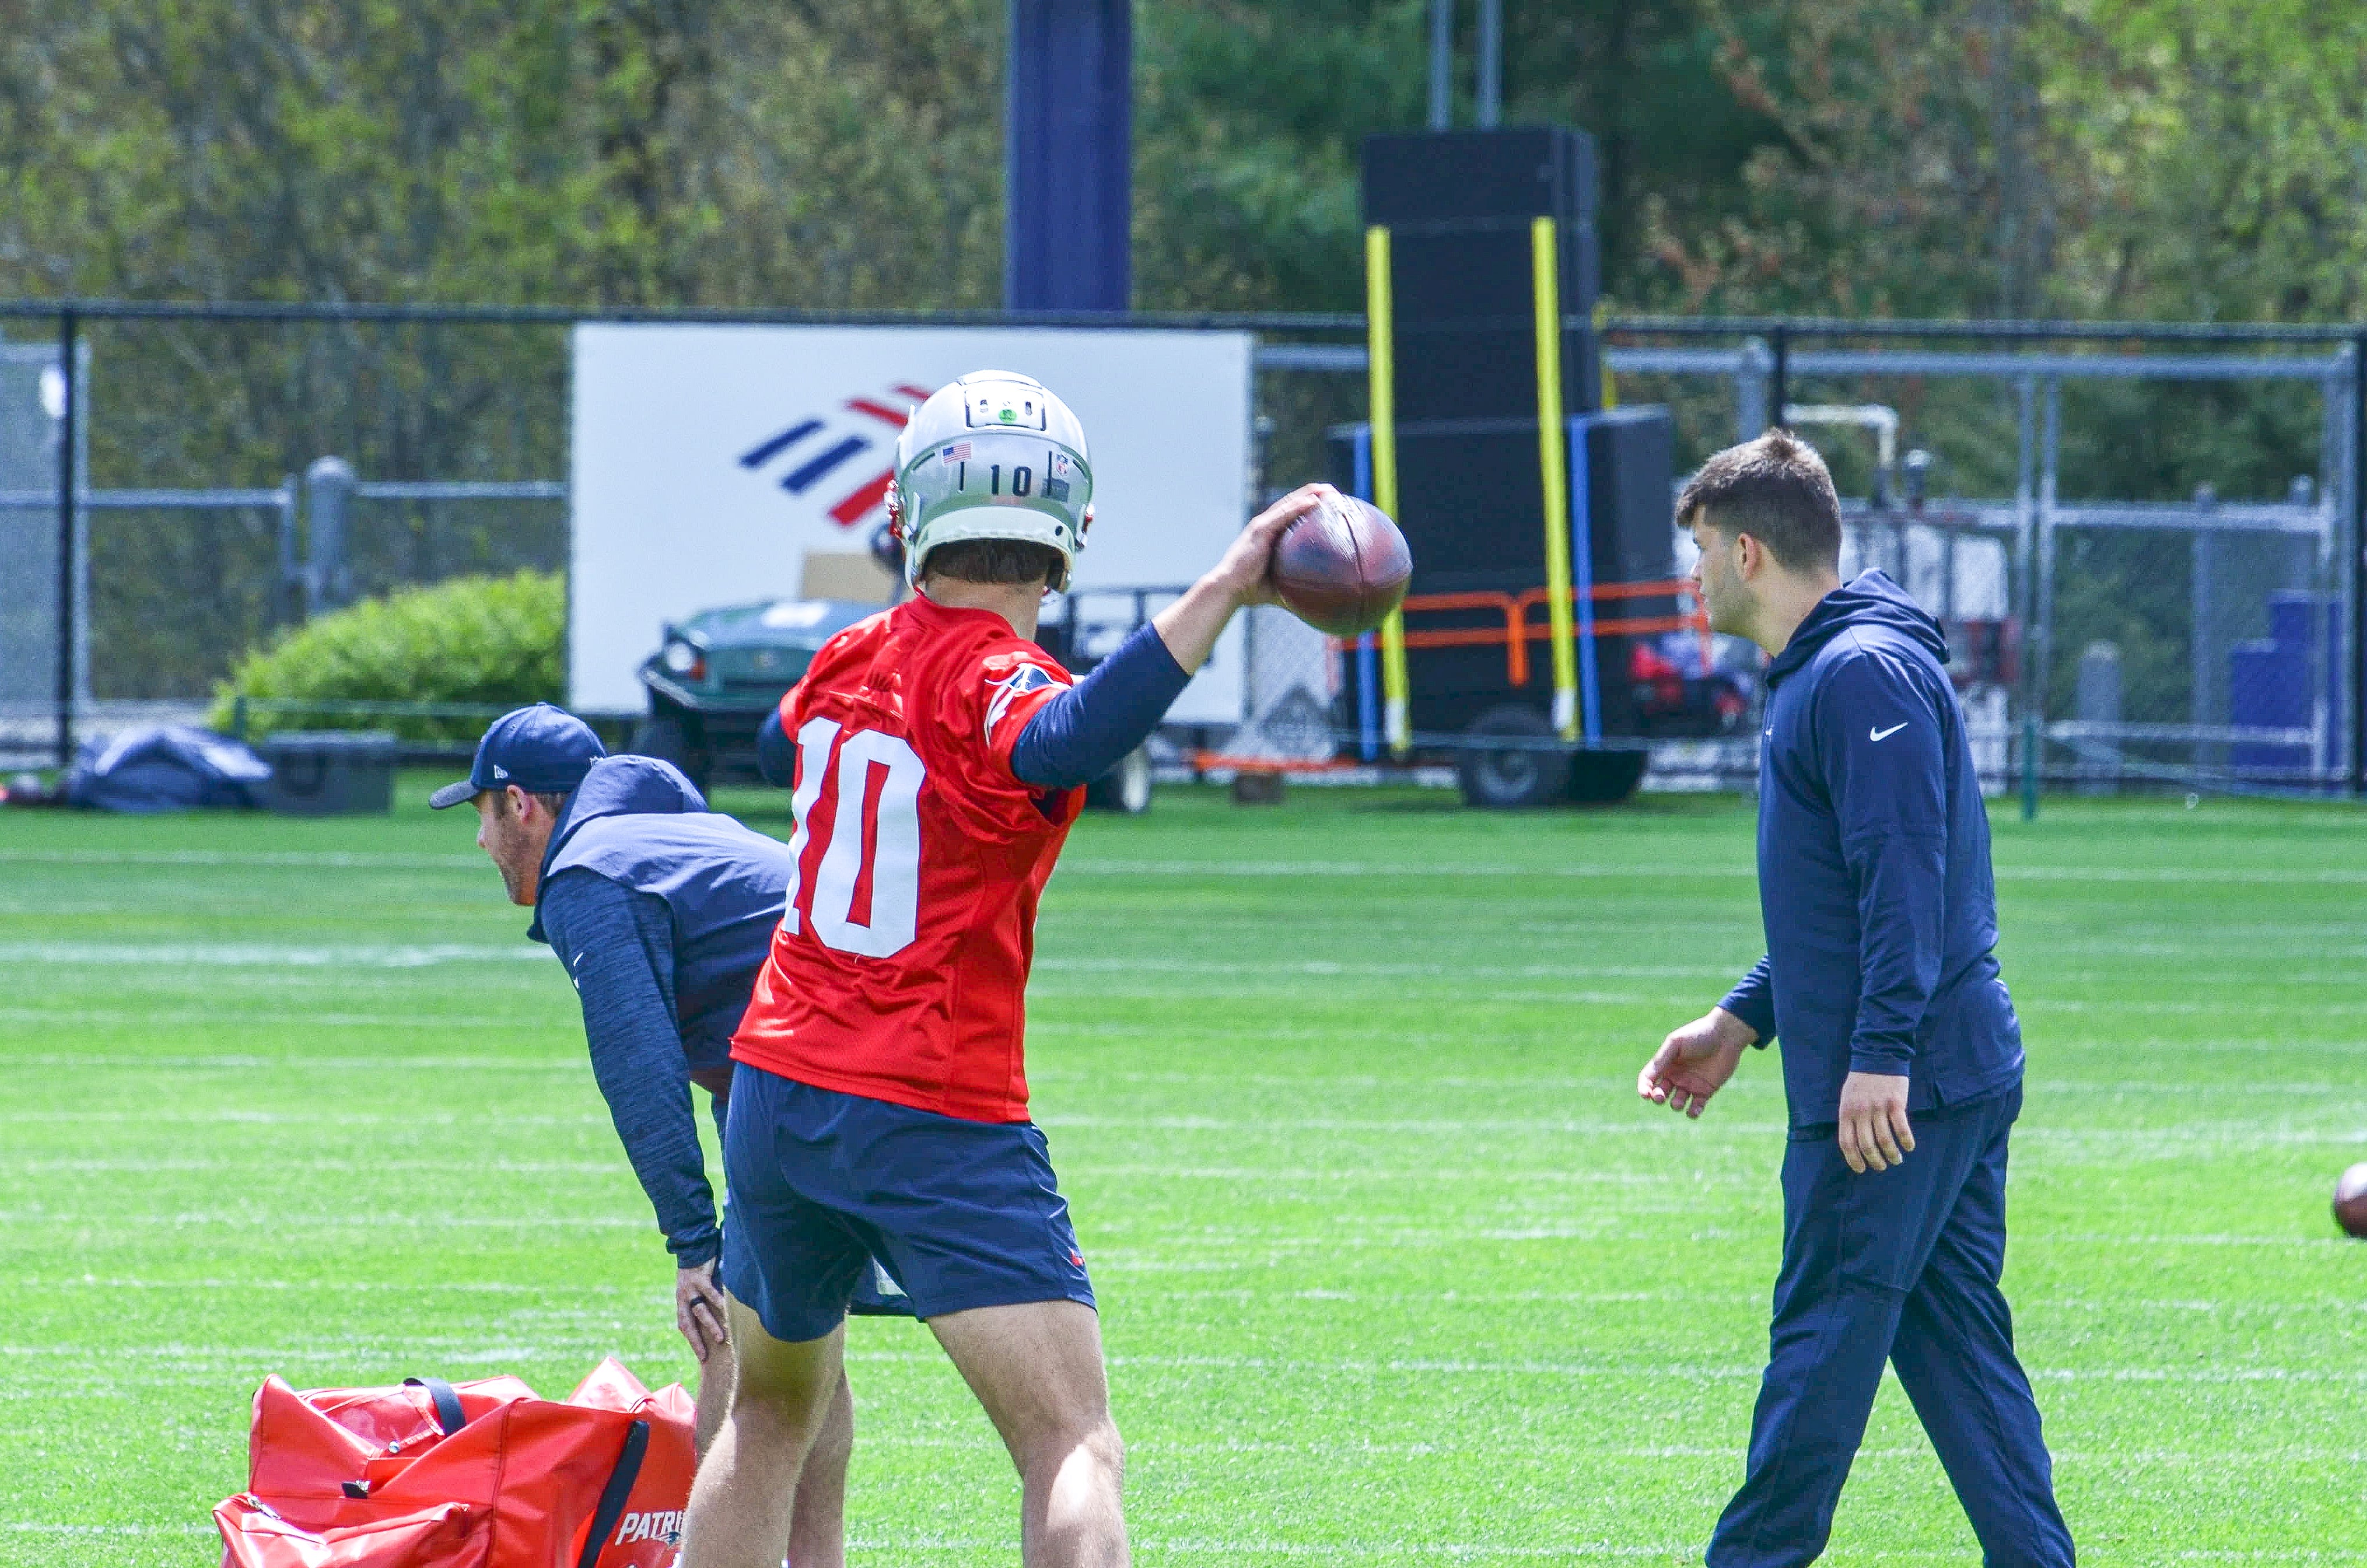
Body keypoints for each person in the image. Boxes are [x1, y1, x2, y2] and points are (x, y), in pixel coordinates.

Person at [680, 369, 1330, 1568]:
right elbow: (1068, 734)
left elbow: (782, 738)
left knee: (769, 1416)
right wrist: (1232, 583)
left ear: (904, 518)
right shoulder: (999, 683)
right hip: (927, 1101)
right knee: (1071, 1444)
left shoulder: (843, 660)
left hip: (776, 1085)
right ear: (1072, 535)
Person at [1637, 430, 2076, 1566]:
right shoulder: (1828, 670)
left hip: (1896, 1094)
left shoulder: (1856, 672)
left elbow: (1905, 882)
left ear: (1744, 552)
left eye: (1694, 552)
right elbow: (1843, 896)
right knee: (1960, 1361)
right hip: (1939, 1068)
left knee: (1816, 1365)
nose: (1690, 578)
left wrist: (1877, 1057)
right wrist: (1742, 1016)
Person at [430, 704, 893, 1568]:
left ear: (521, 804)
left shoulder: (593, 873)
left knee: (739, 1346)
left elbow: (638, 1065)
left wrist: (694, 1242)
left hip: (819, 1081)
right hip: (882, 1064)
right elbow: (746, 1016)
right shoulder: (681, 840)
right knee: (799, 1337)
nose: (482, 843)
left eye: (481, 816)